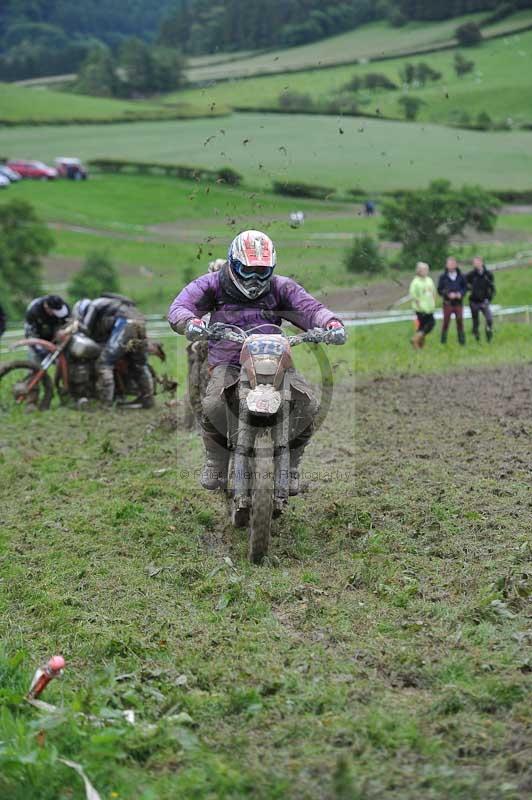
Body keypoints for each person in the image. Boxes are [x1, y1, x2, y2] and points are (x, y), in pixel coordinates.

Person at [168, 230, 346, 494]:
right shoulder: (212, 284)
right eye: (248, 270)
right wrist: (191, 322)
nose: (254, 278)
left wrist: (330, 323)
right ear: (233, 263)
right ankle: (216, 461)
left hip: (275, 360)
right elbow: (180, 306)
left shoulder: (281, 287)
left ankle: (293, 465)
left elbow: (309, 308)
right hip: (229, 361)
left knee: (307, 404)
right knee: (215, 404)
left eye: (262, 271)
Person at [74, 294, 154, 408]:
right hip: (140, 323)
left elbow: (86, 328)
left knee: (104, 363)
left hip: (125, 325)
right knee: (139, 365)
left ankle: (106, 403)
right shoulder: (112, 304)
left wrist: (76, 326)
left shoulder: (94, 305)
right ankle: (148, 400)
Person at [185, 259, 226, 428]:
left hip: (231, 345)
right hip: (205, 342)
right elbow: (194, 314)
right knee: (195, 379)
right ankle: (198, 421)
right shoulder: (204, 292)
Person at [24, 294, 70, 364]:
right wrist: (41, 349)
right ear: (46, 307)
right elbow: (30, 334)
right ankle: (34, 373)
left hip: (58, 337)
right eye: (54, 311)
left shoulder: (63, 307)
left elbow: (70, 321)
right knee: (35, 358)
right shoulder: (34, 310)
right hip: (38, 336)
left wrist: (64, 330)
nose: (56, 314)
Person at [437, 257, 467, 345]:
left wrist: (460, 294)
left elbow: (465, 288)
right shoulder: (443, 277)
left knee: (460, 320)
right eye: (449, 264)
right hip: (448, 303)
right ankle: (443, 341)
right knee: (446, 321)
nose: (451, 266)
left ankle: (462, 341)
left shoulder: (461, 276)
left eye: (452, 264)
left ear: (456, 265)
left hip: (458, 303)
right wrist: (448, 294)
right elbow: (440, 289)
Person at [466, 256, 495, 342]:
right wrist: (470, 290)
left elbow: (492, 287)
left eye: (478, 262)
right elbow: (465, 284)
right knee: (476, 322)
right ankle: (477, 338)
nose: (476, 264)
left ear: (482, 262)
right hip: (474, 301)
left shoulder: (488, 274)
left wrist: (489, 298)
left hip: (484, 301)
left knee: (489, 319)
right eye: (474, 263)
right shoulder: (471, 275)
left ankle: (488, 334)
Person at [409, 261, 436, 349]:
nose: (426, 271)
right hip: (421, 309)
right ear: (419, 271)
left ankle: (420, 346)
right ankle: (415, 339)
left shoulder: (429, 280)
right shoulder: (415, 282)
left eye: (427, 269)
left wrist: (433, 302)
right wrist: (419, 306)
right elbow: (414, 295)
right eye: (424, 270)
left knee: (422, 327)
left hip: (429, 307)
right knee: (430, 324)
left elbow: (433, 292)